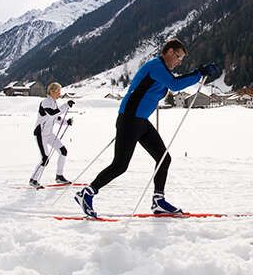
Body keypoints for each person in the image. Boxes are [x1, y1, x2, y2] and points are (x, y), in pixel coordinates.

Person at [74, 39, 220, 217]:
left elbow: (170, 85)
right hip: (129, 119)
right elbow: (174, 84)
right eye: (178, 57)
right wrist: (199, 73)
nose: (179, 61)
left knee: (163, 158)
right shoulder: (156, 66)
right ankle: (87, 193)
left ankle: (158, 201)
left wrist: (199, 74)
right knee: (120, 165)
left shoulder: (162, 70)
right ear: (169, 52)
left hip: (141, 121)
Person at [28, 82, 74, 189]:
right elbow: (52, 113)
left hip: (49, 134)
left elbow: (56, 118)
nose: (59, 94)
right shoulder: (45, 102)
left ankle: (59, 176)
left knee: (63, 151)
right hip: (40, 134)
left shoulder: (53, 103)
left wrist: (66, 122)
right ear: (52, 91)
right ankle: (33, 180)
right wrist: (66, 105)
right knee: (45, 158)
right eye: (58, 91)